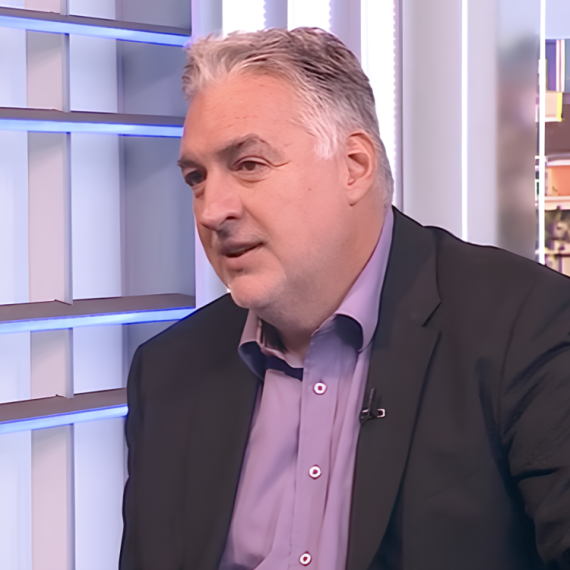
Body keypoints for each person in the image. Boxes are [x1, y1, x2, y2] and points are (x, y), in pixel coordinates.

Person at [119, 28, 570, 570]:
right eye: (196, 178)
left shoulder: (526, 327)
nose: (212, 210)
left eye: (249, 165)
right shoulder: (168, 371)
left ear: (354, 165)